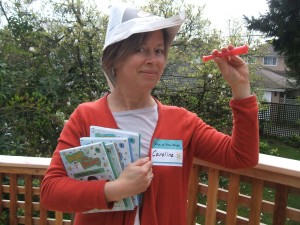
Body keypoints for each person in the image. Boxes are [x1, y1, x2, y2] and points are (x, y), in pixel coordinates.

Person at [40, 4, 259, 225]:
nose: (152, 59)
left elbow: (242, 156)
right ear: (115, 58)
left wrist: (241, 91)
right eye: (141, 49)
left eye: (159, 51)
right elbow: (51, 191)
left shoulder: (183, 122)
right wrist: (115, 189)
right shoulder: (86, 117)